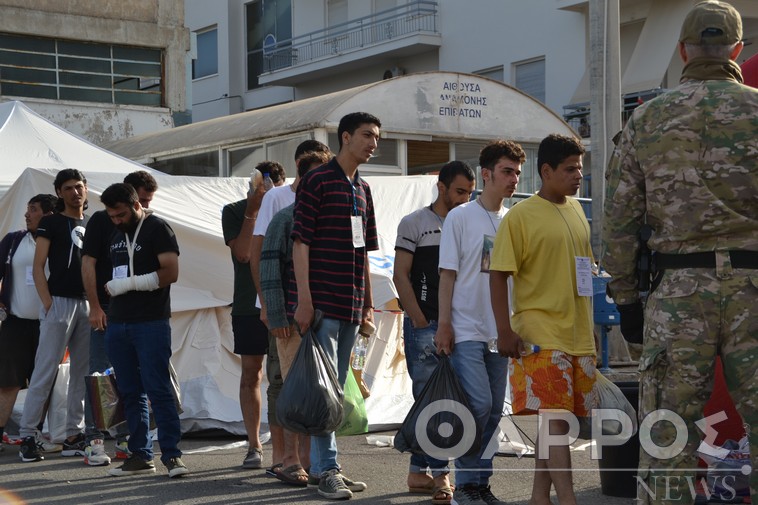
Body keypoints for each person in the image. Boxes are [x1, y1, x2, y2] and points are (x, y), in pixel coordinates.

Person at [601, 2, 758, 503]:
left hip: (677, 296)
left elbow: (619, 222)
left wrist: (626, 301)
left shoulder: (647, 119)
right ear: (737, 48)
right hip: (756, 292)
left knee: (669, 437)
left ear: (682, 49)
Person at [489, 134, 595, 505]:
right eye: (570, 169)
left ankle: (539, 497)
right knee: (556, 423)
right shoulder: (520, 217)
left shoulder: (578, 210)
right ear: (546, 171)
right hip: (539, 334)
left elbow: (583, 271)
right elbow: (498, 274)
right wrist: (505, 330)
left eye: (580, 167)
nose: (578, 175)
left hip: (578, 334)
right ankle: (568, 499)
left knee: (554, 425)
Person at [292, 112, 380, 500]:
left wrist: (368, 307)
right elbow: (301, 244)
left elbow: (363, 252)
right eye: (366, 135)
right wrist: (305, 302)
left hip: (351, 304)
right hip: (323, 304)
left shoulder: (363, 189)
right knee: (323, 390)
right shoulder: (316, 181)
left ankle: (328, 468)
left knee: (335, 391)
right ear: (345, 137)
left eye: (376, 137)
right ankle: (326, 469)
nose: (373, 143)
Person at [435, 141, 524, 505]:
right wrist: (444, 325)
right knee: (478, 405)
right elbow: (447, 274)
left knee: (492, 410)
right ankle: (466, 484)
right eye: (507, 171)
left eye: (518, 172)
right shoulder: (460, 217)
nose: (514, 179)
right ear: (486, 174)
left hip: (499, 330)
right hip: (466, 327)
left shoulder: (514, 219)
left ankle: (479, 485)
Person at [393, 160, 475, 502]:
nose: (464, 199)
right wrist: (419, 320)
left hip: (461, 326)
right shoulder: (414, 222)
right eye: (459, 191)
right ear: (440, 187)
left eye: (469, 193)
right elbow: (400, 275)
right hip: (426, 326)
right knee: (436, 402)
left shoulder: (469, 222)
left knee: (442, 399)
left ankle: (418, 472)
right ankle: (442, 475)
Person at [255, 146, 332, 487]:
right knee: (292, 389)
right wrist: (275, 316)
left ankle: (315, 462)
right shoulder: (284, 217)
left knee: (321, 392)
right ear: (300, 177)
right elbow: (268, 269)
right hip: (289, 319)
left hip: (327, 319)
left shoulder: (331, 216)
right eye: (312, 176)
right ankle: (289, 459)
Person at [100, 183, 187, 478]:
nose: (116, 220)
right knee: (129, 391)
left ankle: (173, 456)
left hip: (151, 321)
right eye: (111, 216)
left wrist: (128, 284)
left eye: (121, 214)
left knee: (158, 388)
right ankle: (139, 455)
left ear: (136, 205)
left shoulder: (158, 228)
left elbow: (171, 272)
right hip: (118, 322)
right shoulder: (114, 233)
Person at [81, 170, 159, 466]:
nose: (144, 206)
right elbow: (87, 263)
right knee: (100, 375)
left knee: (132, 379)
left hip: (139, 316)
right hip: (107, 311)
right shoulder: (101, 221)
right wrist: (95, 306)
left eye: (148, 202)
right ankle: (93, 440)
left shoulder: (150, 223)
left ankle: (128, 439)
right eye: (141, 199)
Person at [17, 169, 92, 463]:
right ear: (59, 192)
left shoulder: (94, 222)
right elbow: (39, 266)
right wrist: (48, 303)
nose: (75, 192)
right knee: (45, 370)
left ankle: (74, 434)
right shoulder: (51, 223)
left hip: (87, 304)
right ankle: (28, 435)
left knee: (82, 374)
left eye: (79, 186)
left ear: (86, 189)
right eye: (69, 188)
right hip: (58, 303)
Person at [220, 160, 284, 470]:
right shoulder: (234, 210)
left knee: (284, 377)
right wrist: (254, 208)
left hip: (285, 303)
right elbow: (243, 253)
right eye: (261, 183)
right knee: (251, 375)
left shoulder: (290, 207)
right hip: (248, 304)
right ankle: (254, 444)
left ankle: (286, 448)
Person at [0, 194, 57, 452]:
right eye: (27, 208)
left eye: (33, 209)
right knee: (7, 380)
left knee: (42, 381)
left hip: (50, 324)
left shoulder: (62, 242)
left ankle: (32, 435)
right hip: (15, 323)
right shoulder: (14, 240)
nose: (27, 214)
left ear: (48, 214)